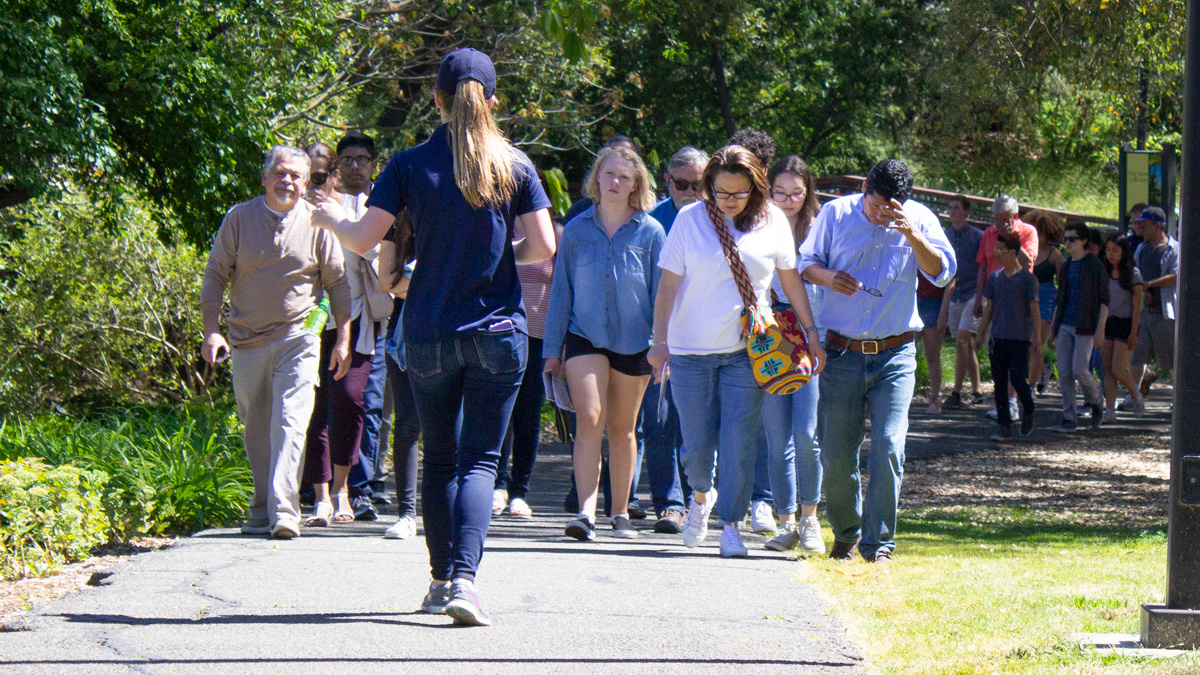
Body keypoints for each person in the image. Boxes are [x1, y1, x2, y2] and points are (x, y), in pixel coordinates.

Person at [311, 47, 556, 626]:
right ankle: (467, 583)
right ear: (493, 101)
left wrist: (325, 219)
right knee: (480, 461)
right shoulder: (515, 166)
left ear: (438, 100)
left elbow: (363, 237)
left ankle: (441, 579)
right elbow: (544, 246)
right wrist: (497, 252)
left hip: (427, 333)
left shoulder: (407, 164)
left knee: (439, 457)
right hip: (497, 331)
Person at [648, 145, 824, 559]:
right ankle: (700, 496)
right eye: (721, 192)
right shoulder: (691, 220)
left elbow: (791, 282)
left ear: (756, 190)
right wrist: (659, 343)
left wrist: (811, 333)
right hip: (690, 350)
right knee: (695, 444)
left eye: (738, 193)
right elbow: (668, 286)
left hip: (747, 350)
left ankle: (730, 525)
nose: (728, 201)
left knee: (739, 441)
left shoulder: (773, 222)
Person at [799, 159, 956, 563]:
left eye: (892, 209)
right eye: (876, 207)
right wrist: (829, 277)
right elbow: (804, 264)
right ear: (865, 188)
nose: (882, 215)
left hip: (896, 353)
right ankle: (847, 533)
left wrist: (913, 236)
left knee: (888, 445)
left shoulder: (918, 218)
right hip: (840, 352)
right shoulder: (835, 212)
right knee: (836, 452)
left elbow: (942, 274)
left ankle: (879, 544)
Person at [200, 145, 351, 540]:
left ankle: (285, 510)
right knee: (256, 426)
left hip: (299, 337)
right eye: (280, 173)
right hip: (247, 340)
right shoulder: (239, 219)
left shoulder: (319, 225)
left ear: (305, 183)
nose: (287, 181)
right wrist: (211, 330)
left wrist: (343, 338)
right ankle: (262, 505)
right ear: (264, 178)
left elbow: (336, 283)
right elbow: (216, 274)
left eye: (296, 176)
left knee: (291, 420)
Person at [543, 146, 665, 541]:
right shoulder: (577, 229)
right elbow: (561, 293)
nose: (615, 182)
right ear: (597, 177)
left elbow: (661, 294)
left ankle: (619, 513)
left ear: (636, 185)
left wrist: (662, 345)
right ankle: (584, 512)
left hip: (635, 343)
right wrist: (551, 350)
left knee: (622, 428)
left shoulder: (651, 232)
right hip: (584, 336)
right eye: (608, 174)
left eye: (624, 177)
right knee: (590, 417)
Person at [301, 132, 392, 527]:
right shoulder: (303, 211)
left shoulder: (367, 207)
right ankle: (322, 496)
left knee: (353, 401)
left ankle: (344, 488)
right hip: (309, 320)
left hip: (356, 321)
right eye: (314, 176)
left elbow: (376, 253)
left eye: (362, 160)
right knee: (314, 408)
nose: (320, 183)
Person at [759, 155, 826, 553]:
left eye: (796, 193)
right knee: (776, 434)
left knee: (806, 433)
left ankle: (811, 518)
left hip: (809, 335)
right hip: (768, 337)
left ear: (808, 192)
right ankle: (785, 521)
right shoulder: (757, 226)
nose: (788, 201)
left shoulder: (819, 228)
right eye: (780, 192)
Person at [642, 145, 709, 534]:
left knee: (696, 426)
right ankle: (668, 504)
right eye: (681, 183)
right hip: (662, 337)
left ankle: (695, 500)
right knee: (658, 421)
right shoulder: (652, 222)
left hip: (704, 339)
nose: (689, 190)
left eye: (698, 183)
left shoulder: (718, 219)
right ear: (667, 181)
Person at [337, 131, 393, 519]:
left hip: (381, 315)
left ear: (374, 164)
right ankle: (331, 483)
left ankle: (364, 485)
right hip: (338, 316)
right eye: (348, 160)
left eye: (362, 159)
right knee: (343, 401)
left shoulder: (386, 202)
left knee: (372, 403)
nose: (355, 166)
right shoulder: (326, 205)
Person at [376, 210, 422, 540]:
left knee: (453, 424)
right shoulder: (396, 226)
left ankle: (457, 509)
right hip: (404, 334)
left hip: (456, 332)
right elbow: (388, 280)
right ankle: (407, 513)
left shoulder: (460, 214)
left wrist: (416, 283)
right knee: (407, 423)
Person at [974, 195, 1038, 421]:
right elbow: (983, 267)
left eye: (1005, 218)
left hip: (1019, 295)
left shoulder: (1028, 232)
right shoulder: (989, 235)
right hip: (994, 295)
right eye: (997, 218)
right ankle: (1004, 403)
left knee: (1016, 353)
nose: (1000, 223)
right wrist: (978, 299)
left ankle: (1013, 402)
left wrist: (1012, 239)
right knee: (998, 349)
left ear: (1015, 216)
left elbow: (1029, 262)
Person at [1049, 221, 1108, 433]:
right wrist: (1052, 329)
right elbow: (1060, 298)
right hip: (1065, 323)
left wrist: (1100, 329)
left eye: (1072, 239)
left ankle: (1096, 400)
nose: (1068, 243)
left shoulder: (1095, 265)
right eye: (1065, 239)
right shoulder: (1065, 266)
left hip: (1086, 326)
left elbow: (1104, 300)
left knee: (1080, 370)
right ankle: (1069, 417)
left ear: (1084, 241)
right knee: (1064, 373)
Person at [940, 196, 985, 410]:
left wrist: (981, 297)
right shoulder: (945, 236)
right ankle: (977, 390)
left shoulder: (978, 237)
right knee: (965, 344)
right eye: (950, 208)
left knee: (962, 342)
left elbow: (984, 266)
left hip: (974, 294)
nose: (952, 211)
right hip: (955, 293)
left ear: (966, 211)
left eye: (956, 208)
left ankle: (956, 392)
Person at [1129, 206, 1178, 399]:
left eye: (1145, 224)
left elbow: (1175, 276)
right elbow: (1134, 271)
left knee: (1170, 360)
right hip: (1143, 313)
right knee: (1136, 356)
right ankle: (1133, 395)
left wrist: (1148, 285)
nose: (1141, 228)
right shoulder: (1142, 248)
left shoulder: (1174, 249)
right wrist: (1142, 288)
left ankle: (1179, 398)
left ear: (1157, 225)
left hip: (1165, 313)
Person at [1098, 234, 1146, 422]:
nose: (1110, 254)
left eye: (1115, 250)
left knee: (1119, 369)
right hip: (1107, 322)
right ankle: (1110, 410)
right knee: (1108, 369)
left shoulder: (1133, 274)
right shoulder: (1104, 271)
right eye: (1108, 249)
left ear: (1124, 252)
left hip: (1126, 323)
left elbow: (1137, 307)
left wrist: (1133, 333)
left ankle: (1136, 395)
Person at [1025, 211, 1065, 395]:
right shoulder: (1026, 250)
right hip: (1026, 298)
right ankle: (1042, 370)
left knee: (1037, 344)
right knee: (1025, 344)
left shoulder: (1055, 255)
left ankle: (1031, 387)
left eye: (1042, 232)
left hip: (1047, 299)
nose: (1038, 236)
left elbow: (1064, 283)